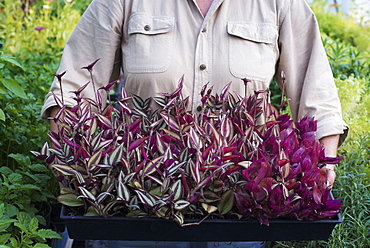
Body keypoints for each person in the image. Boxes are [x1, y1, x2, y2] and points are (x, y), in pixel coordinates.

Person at [41, 0, 348, 247]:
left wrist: (323, 166)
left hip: (239, 207)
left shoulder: (278, 4)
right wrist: (70, 163)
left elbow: (315, 91)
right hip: (141, 202)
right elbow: (73, 84)